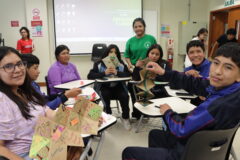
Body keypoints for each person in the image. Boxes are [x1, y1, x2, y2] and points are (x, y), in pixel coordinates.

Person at [122, 42, 240, 160]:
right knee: (155, 134)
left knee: (129, 152)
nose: (218, 71)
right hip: (204, 146)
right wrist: (163, 73)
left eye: (228, 67)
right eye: (216, 63)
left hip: (190, 152)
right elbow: (194, 83)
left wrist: (168, 112)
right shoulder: (230, 90)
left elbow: (181, 128)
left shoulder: (217, 105)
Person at [0, 46, 51, 160]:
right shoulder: (2, 99)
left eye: (19, 64)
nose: (18, 69)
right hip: (26, 155)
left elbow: (48, 113)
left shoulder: (24, 89)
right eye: (8, 66)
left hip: (43, 145)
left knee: (78, 141)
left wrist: (83, 121)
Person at [88, 44, 131, 130]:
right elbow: (90, 75)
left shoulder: (120, 63)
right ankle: (108, 116)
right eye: (111, 52)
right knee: (105, 94)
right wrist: (104, 73)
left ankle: (125, 118)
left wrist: (117, 72)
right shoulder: (99, 63)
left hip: (118, 87)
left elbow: (128, 74)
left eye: (115, 52)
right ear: (107, 53)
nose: (113, 54)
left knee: (125, 96)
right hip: (105, 87)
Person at [124, 17, 157, 117]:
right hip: (135, 69)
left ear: (144, 27)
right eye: (135, 27)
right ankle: (136, 113)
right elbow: (127, 55)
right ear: (133, 28)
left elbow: (156, 53)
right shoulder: (130, 41)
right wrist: (130, 65)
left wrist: (145, 62)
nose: (138, 28)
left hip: (148, 69)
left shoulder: (151, 39)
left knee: (145, 91)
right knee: (133, 91)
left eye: (140, 26)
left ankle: (145, 114)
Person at [131, 44, 171, 119]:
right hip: (146, 90)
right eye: (152, 53)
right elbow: (135, 78)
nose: (154, 56)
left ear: (160, 56)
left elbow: (168, 78)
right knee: (133, 87)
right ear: (148, 53)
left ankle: (143, 112)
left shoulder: (164, 64)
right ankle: (139, 113)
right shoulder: (143, 63)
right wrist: (136, 67)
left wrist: (157, 75)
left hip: (161, 91)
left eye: (157, 54)